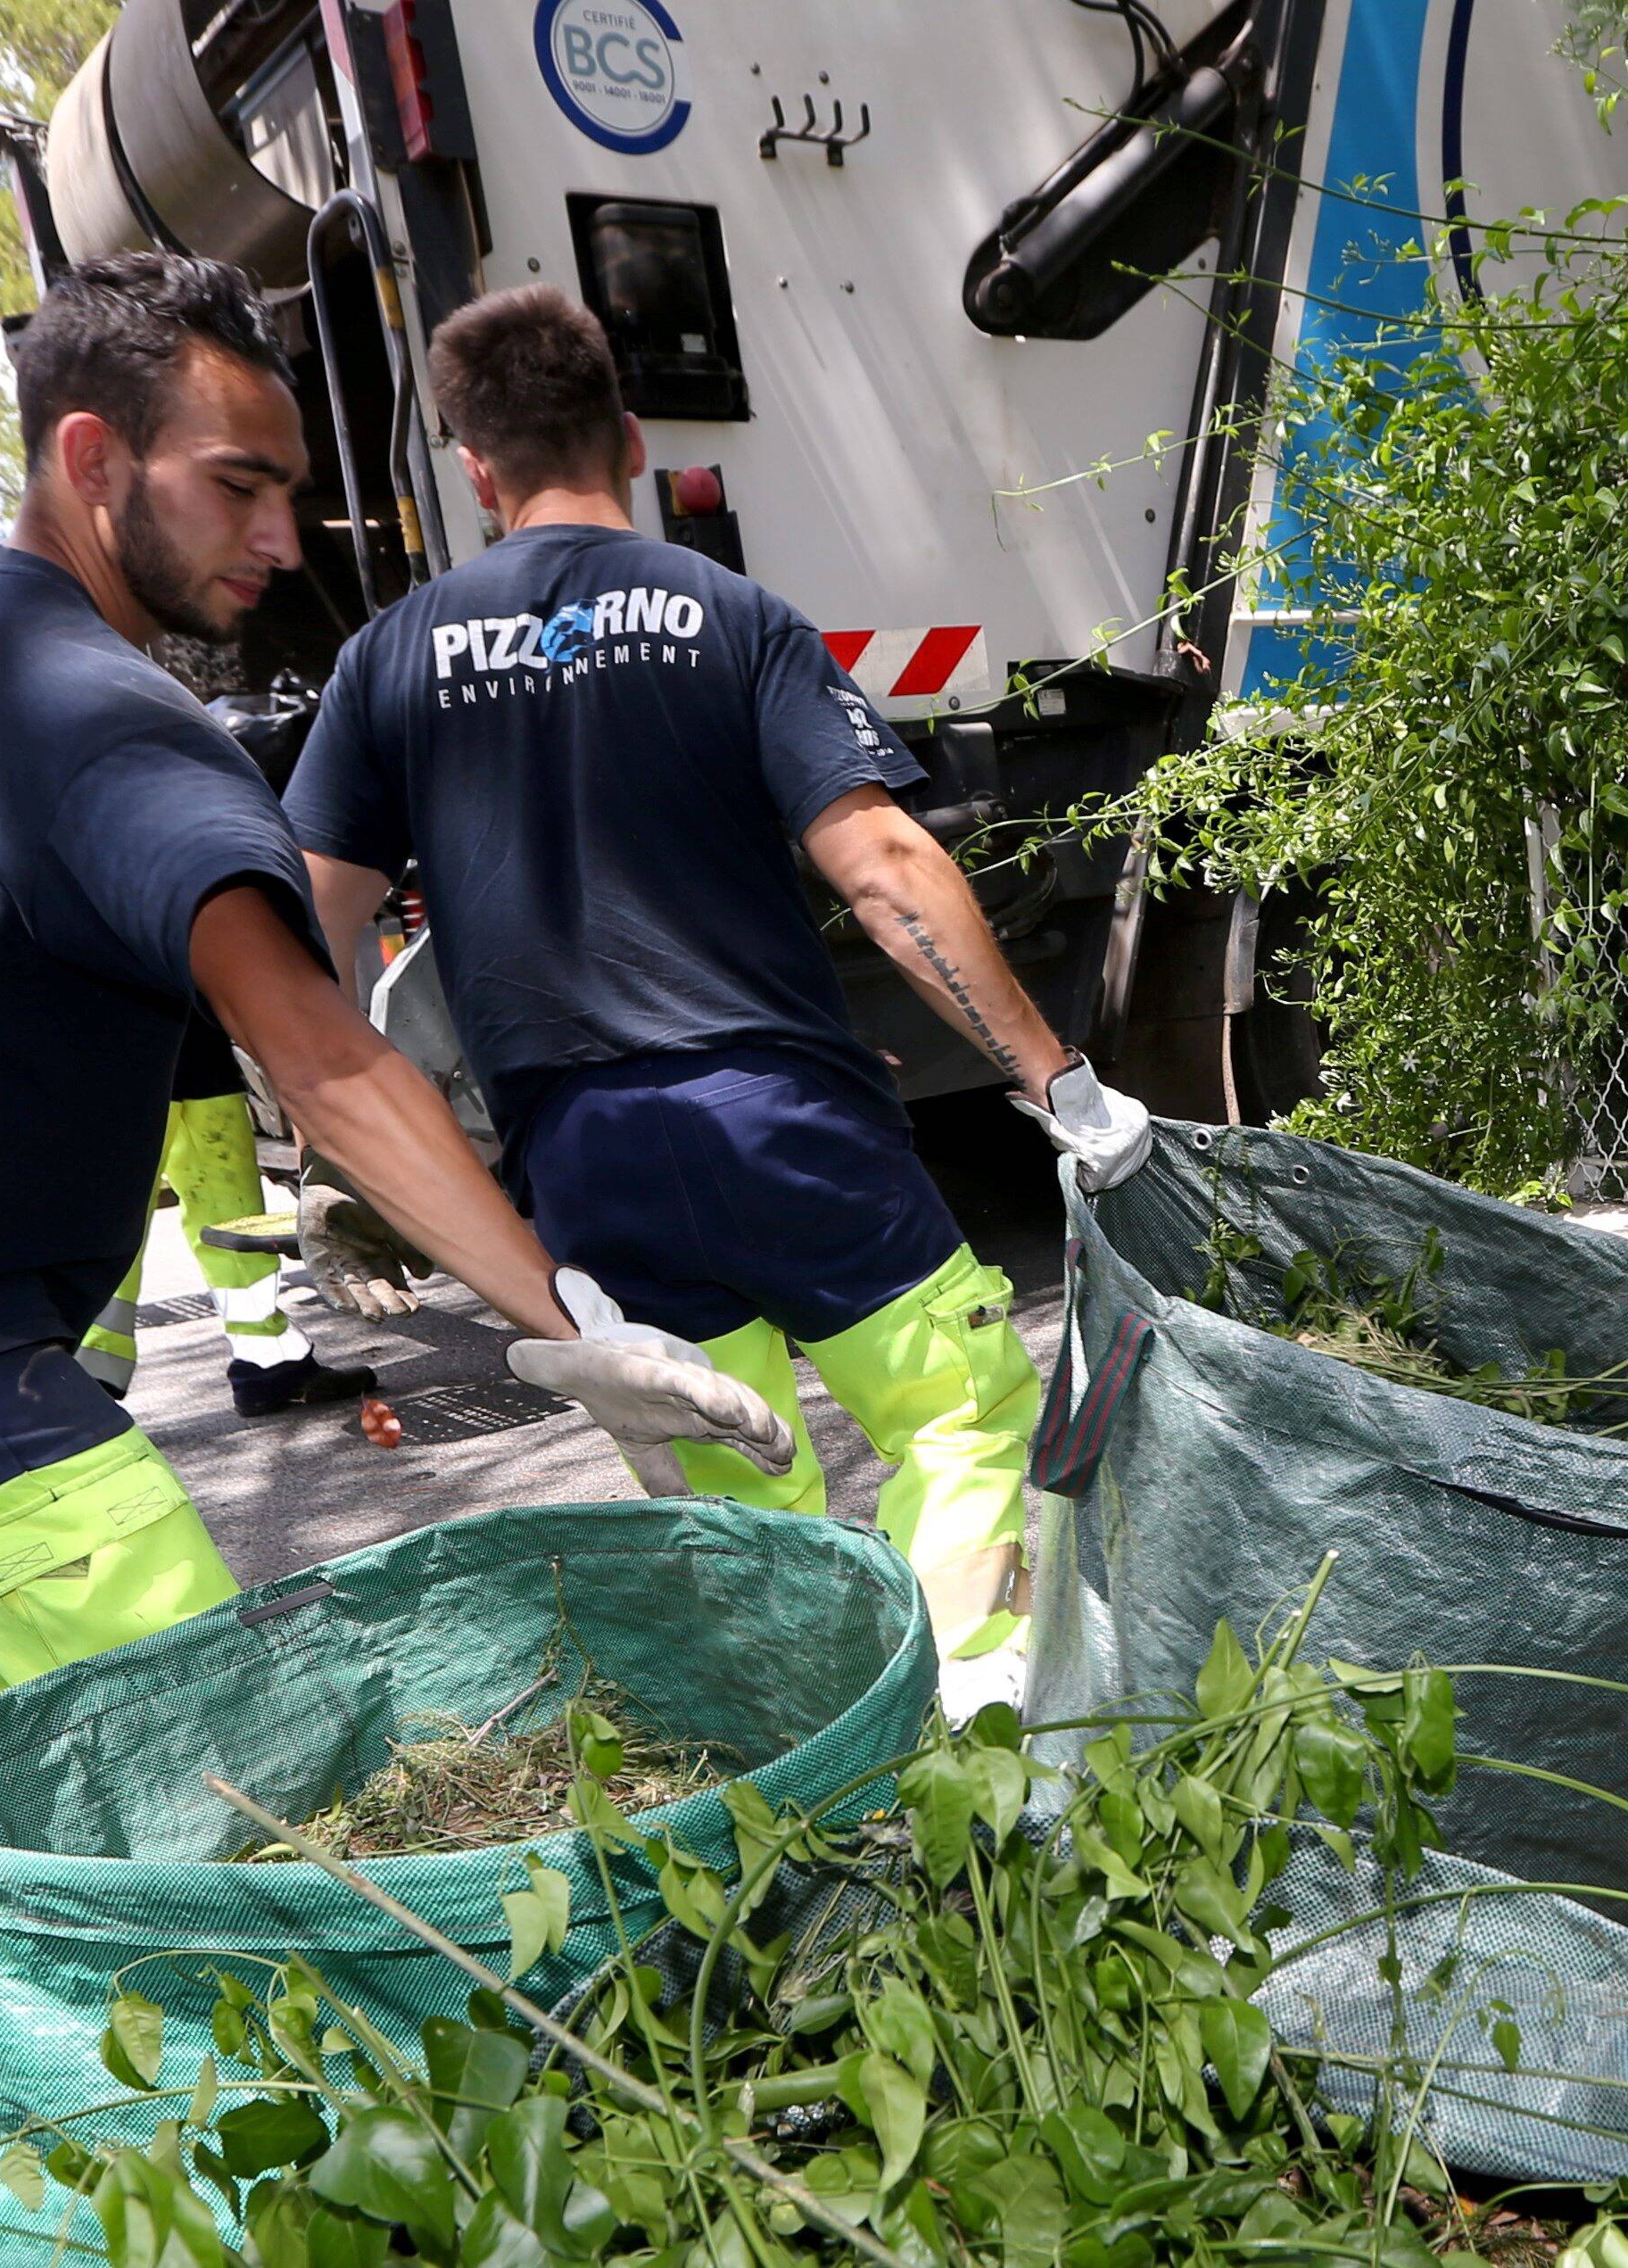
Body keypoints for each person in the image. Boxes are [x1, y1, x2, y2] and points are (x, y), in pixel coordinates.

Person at [0, 253, 786, 1700]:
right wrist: (573, 1326)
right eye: (237, 486)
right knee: (210, 1732)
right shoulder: (122, 740)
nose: (281, 538)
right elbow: (327, 1064)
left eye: (287, 488)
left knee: (45, 1690)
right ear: (90, 457)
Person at [285, 286, 1155, 1714]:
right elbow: (880, 864)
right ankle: (977, 1725)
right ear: (626, 437)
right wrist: (1058, 1083)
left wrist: (353, 1145)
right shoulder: (730, 616)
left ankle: (823, 1762)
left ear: (474, 470)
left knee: (731, 1485)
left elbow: (307, 915)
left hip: (580, 1156)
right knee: (960, 1413)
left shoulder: (391, 657)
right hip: (785, 1120)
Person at [73, 1017, 384, 1418]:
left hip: (187, 1032)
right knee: (112, 1209)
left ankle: (267, 1356)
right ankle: (81, 1369)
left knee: (227, 1200)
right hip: (111, 1024)